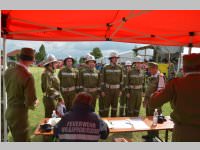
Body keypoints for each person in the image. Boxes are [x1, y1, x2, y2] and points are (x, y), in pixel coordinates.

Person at [149, 53, 200, 142]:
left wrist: (160, 90)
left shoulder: (177, 83)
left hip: (183, 132)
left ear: (184, 68)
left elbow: (153, 102)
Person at [4, 47, 39, 142]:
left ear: (20, 58)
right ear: (31, 60)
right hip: (19, 116)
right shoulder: (27, 76)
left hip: (8, 111)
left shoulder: (8, 71)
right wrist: (36, 102)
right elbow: (30, 103)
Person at [142, 62, 165, 141]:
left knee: (154, 119)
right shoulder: (152, 76)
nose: (148, 70)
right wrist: (145, 100)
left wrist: (157, 104)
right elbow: (148, 89)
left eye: (150, 68)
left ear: (155, 68)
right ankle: (149, 135)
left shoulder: (160, 77)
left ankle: (155, 137)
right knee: (148, 118)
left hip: (155, 103)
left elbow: (161, 91)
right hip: (149, 101)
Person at [101, 51, 123, 117]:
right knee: (106, 107)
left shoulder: (120, 67)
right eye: (114, 58)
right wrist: (102, 90)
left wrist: (121, 90)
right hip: (108, 90)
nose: (116, 59)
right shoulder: (105, 67)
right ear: (110, 59)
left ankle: (113, 121)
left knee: (115, 107)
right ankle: (105, 122)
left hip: (116, 90)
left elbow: (121, 80)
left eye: (116, 58)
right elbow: (102, 80)